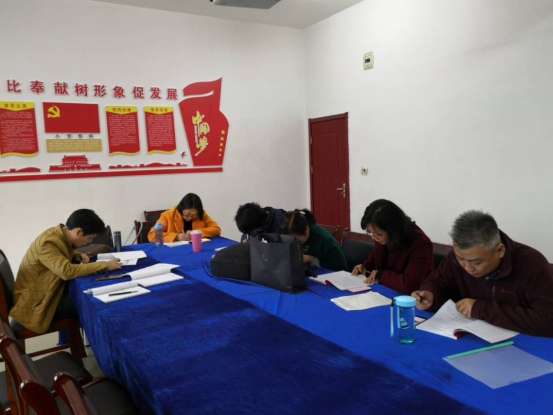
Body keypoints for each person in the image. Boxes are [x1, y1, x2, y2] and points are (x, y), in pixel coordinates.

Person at [412, 210, 553, 337]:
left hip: (523, 344)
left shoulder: (532, 264)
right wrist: (430, 295)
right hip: (470, 337)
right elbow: (437, 281)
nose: (467, 268)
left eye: (476, 262)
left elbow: (548, 320)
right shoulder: (455, 258)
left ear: (500, 250)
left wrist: (481, 309)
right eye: (461, 259)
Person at [9, 209, 121, 334]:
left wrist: (75, 254)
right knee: (92, 301)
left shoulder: (57, 233)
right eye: (90, 238)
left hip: (44, 293)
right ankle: (107, 337)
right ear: (78, 232)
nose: (89, 242)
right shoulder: (48, 242)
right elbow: (67, 271)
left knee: (88, 291)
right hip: (35, 306)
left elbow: (58, 253)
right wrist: (105, 265)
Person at [351, 199, 433, 294]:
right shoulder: (382, 234)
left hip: (410, 297)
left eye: (378, 235)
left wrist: (381, 274)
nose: (374, 237)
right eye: (371, 232)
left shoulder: (421, 244)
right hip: (385, 290)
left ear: (393, 230)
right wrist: (365, 267)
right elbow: (376, 256)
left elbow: (410, 285)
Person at [279, 209, 348, 271]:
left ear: (306, 229)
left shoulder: (326, 240)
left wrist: (313, 260)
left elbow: (342, 269)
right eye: (291, 239)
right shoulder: (290, 235)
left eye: (297, 239)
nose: (295, 242)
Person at [148, 193, 221, 242]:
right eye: (187, 214)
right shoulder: (168, 215)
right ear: (181, 208)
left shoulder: (201, 214)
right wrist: (177, 237)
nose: (190, 217)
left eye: (194, 215)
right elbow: (152, 236)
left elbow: (216, 230)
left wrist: (196, 232)